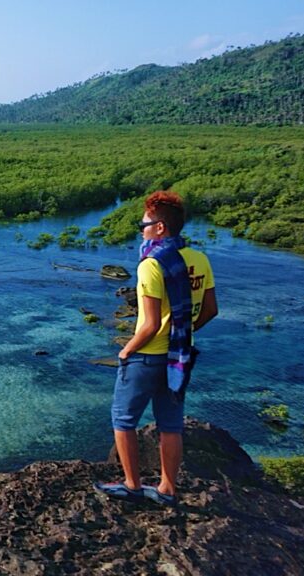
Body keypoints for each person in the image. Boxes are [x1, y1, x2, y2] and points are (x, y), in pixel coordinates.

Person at [94, 190, 218, 506]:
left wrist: (125, 351)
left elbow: (148, 324)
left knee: (123, 420)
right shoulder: (199, 260)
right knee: (171, 425)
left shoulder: (152, 264)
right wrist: (182, 332)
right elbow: (210, 310)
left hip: (147, 358)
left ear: (160, 227)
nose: (141, 229)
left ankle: (132, 485)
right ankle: (167, 489)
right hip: (179, 356)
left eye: (144, 223)